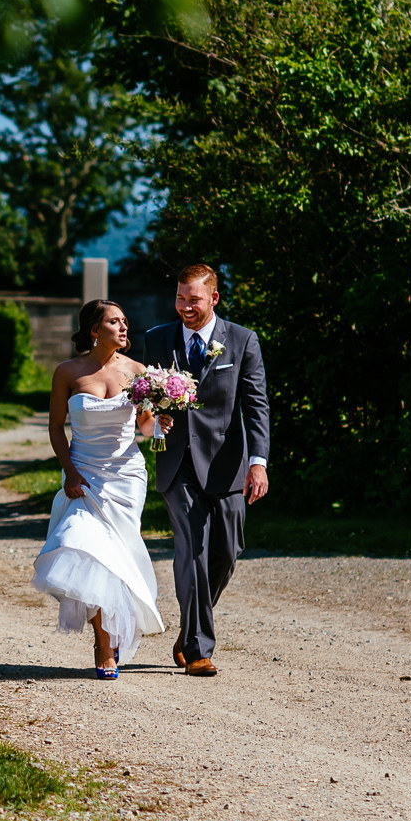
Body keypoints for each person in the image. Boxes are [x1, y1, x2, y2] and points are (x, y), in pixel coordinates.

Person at [139, 264, 269, 677]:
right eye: (180, 298)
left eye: (193, 299)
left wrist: (258, 462)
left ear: (213, 298)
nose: (185, 307)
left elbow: (255, 405)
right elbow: (144, 399)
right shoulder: (156, 339)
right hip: (178, 464)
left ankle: (190, 627)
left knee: (227, 553)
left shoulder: (242, 340)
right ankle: (198, 650)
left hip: (228, 464)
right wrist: (153, 418)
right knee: (191, 551)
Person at [32, 299, 166, 679]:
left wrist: (158, 426)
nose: (124, 328)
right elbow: (56, 426)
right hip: (83, 473)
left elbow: (144, 425)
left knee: (116, 559)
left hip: (125, 477)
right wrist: (69, 472)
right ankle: (104, 643)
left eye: (125, 321)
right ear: (94, 330)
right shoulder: (67, 372)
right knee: (85, 548)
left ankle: (111, 635)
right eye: (114, 322)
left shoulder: (139, 372)